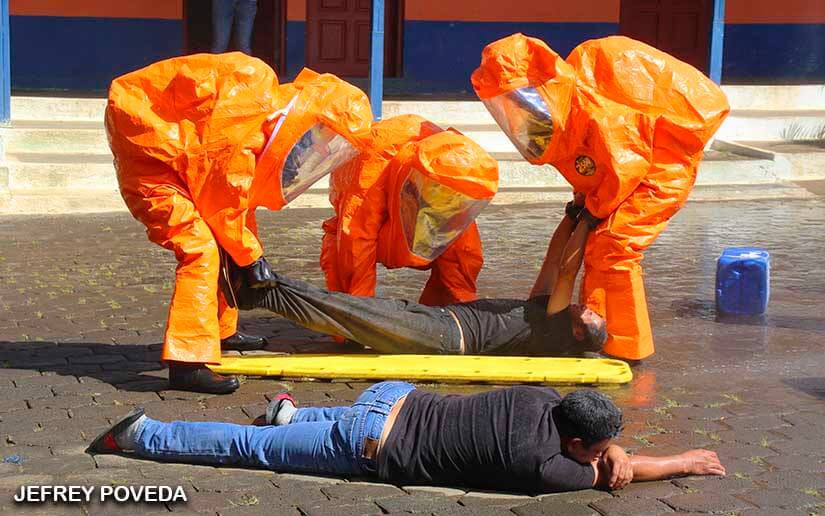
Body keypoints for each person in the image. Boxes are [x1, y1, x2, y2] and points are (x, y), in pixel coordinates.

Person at [106, 56, 373, 394]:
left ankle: (222, 332)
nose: (319, 146)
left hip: (176, 155)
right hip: (152, 161)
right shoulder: (248, 103)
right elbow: (221, 200)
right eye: (323, 134)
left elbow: (232, 198)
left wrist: (249, 256)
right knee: (200, 248)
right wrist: (252, 259)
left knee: (230, 238)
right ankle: (187, 363)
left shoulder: (260, 114)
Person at [472, 34, 731, 361]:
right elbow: (591, 173)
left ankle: (627, 349)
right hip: (630, 170)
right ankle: (603, 335)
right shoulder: (561, 111)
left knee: (615, 247)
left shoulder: (589, 110)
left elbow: (627, 164)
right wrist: (582, 210)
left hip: (661, 169)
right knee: (600, 245)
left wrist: (589, 214)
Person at [86, 382, 726, 493]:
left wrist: (612, 443)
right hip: (372, 448)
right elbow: (621, 475)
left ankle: (288, 415)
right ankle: (142, 434)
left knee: (332, 422)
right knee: (248, 451)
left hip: (393, 397)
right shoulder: (543, 467)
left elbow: (605, 451)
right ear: (580, 446)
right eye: (599, 447)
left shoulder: (540, 399)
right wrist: (681, 462)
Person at [224, 193, 606, 356]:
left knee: (345, 312)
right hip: (437, 321)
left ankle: (262, 289)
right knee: (345, 307)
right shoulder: (545, 310)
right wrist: (571, 214)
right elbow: (553, 262)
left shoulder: (556, 329)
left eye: (591, 317)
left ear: (577, 333)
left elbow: (568, 271)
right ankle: (261, 289)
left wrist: (588, 222)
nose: (588, 307)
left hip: (442, 337)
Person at [322, 114, 498, 307]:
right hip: (378, 174)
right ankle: (346, 309)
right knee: (345, 244)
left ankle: (449, 312)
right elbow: (356, 237)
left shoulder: (455, 170)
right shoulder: (371, 172)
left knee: (463, 250)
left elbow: (466, 251)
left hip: (421, 184)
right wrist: (362, 307)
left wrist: (463, 300)